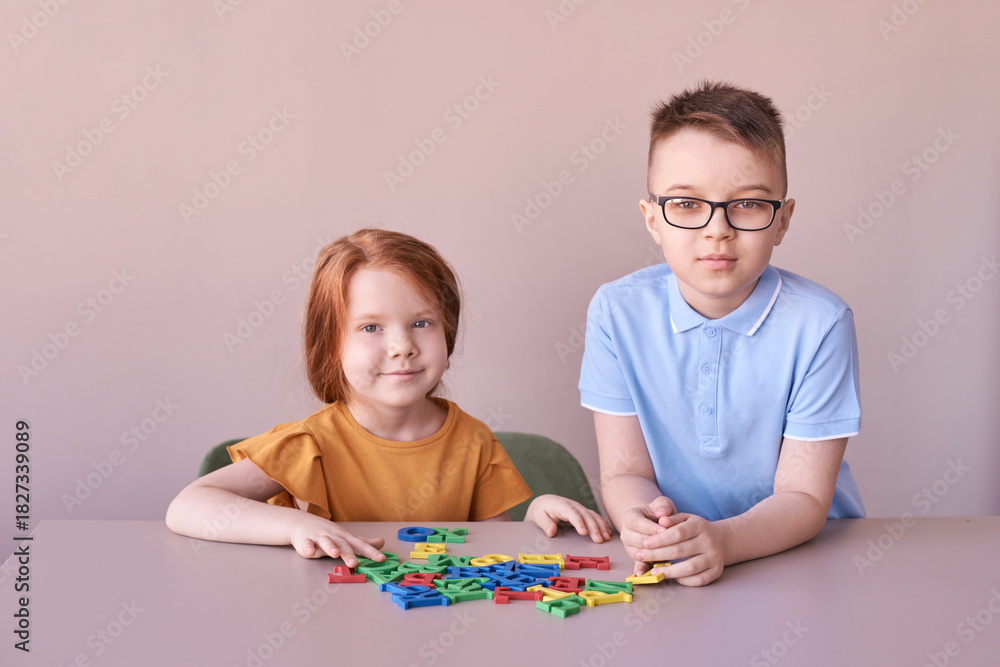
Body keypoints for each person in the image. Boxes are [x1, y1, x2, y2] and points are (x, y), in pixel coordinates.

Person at [168, 229, 610, 566]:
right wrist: (296, 524)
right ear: (330, 346)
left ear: (447, 332)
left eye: (422, 323)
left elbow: (490, 555)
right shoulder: (309, 444)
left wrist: (535, 518)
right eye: (370, 327)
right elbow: (188, 507)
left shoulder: (474, 442)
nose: (402, 346)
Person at [580, 81, 864, 586]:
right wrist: (649, 527)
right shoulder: (615, 312)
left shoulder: (821, 324)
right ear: (652, 219)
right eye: (687, 205)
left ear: (783, 220)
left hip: (804, 563)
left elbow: (804, 498)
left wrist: (725, 541)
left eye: (748, 205)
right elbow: (624, 473)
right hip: (678, 566)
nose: (718, 230)